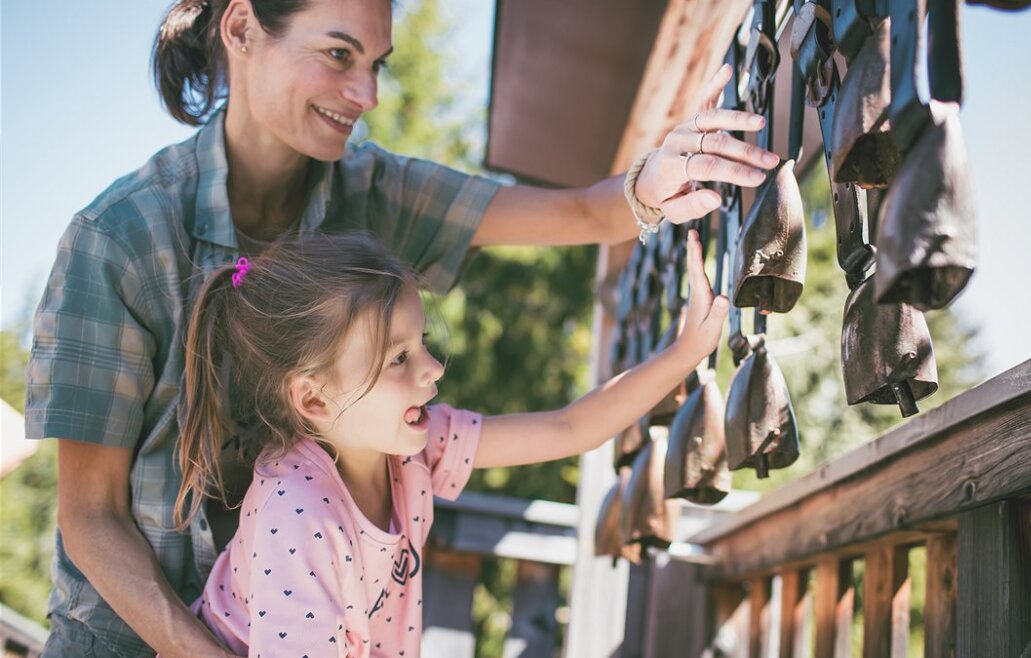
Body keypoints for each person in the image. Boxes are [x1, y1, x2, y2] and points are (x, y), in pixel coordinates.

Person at [25, 0, 778, 655]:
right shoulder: (119, 238)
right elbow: (91, 519)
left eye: (378, 64)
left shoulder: (374, 189)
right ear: (242, 28)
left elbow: (581, 212)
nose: (368, 95)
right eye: (338, 55)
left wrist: (654, 182)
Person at [172, 230, 725, 657]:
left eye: (424, 344)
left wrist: (683, 353)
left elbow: (567, 429)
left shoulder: (413, 447)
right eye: (399, 358)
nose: (433, 370)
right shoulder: (295, 510)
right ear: (314, 401)